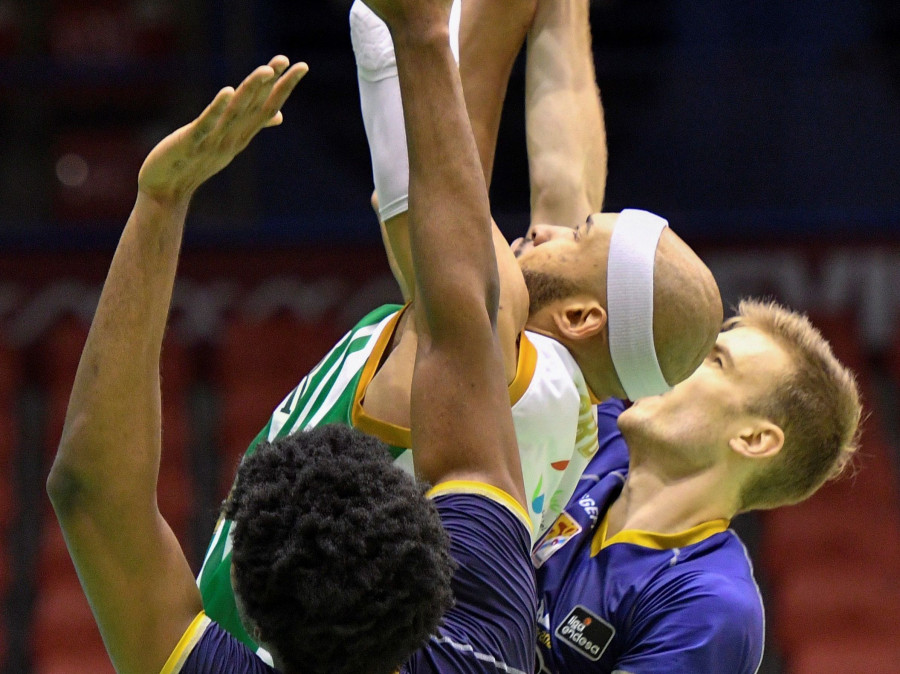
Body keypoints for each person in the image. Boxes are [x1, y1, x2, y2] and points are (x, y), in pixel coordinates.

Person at [198, 0, 721, 650]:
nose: (545, 225)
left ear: (586, 315)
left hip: (241, 644)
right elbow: (563, 167)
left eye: (579, 234)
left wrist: (433, 35)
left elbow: (456, 146)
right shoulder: (571, 394)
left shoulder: (501, 352)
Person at [47, 7, 538, 668]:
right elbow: (460, 327)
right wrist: (421, 40)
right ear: (433, 569)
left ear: (248, 600)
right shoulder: (488, 634)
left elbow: (89, 487)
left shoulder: (490, 638)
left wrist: (160, 204)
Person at [533, 299, 861, 673]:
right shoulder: (591, 438)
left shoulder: (709, 605)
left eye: (715, 361)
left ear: (753, 438)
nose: (683, 360)